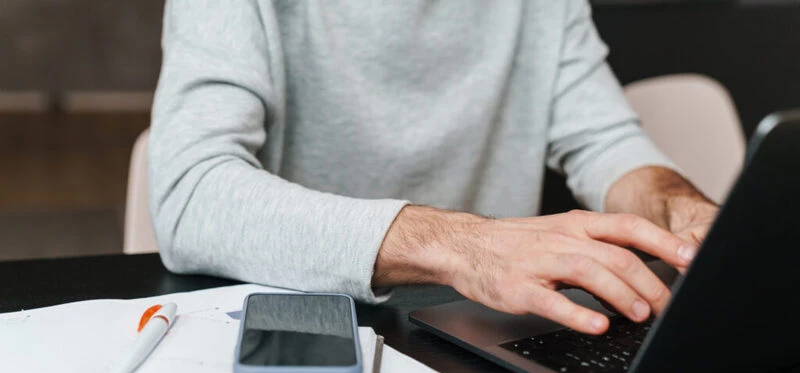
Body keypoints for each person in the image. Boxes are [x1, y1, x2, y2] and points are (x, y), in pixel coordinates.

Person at [149, 0, 718, 335]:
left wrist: (684, 213)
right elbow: (190, 195)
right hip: (302, 342)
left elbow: (605, 141)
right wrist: (465, 246)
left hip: (484, 341)